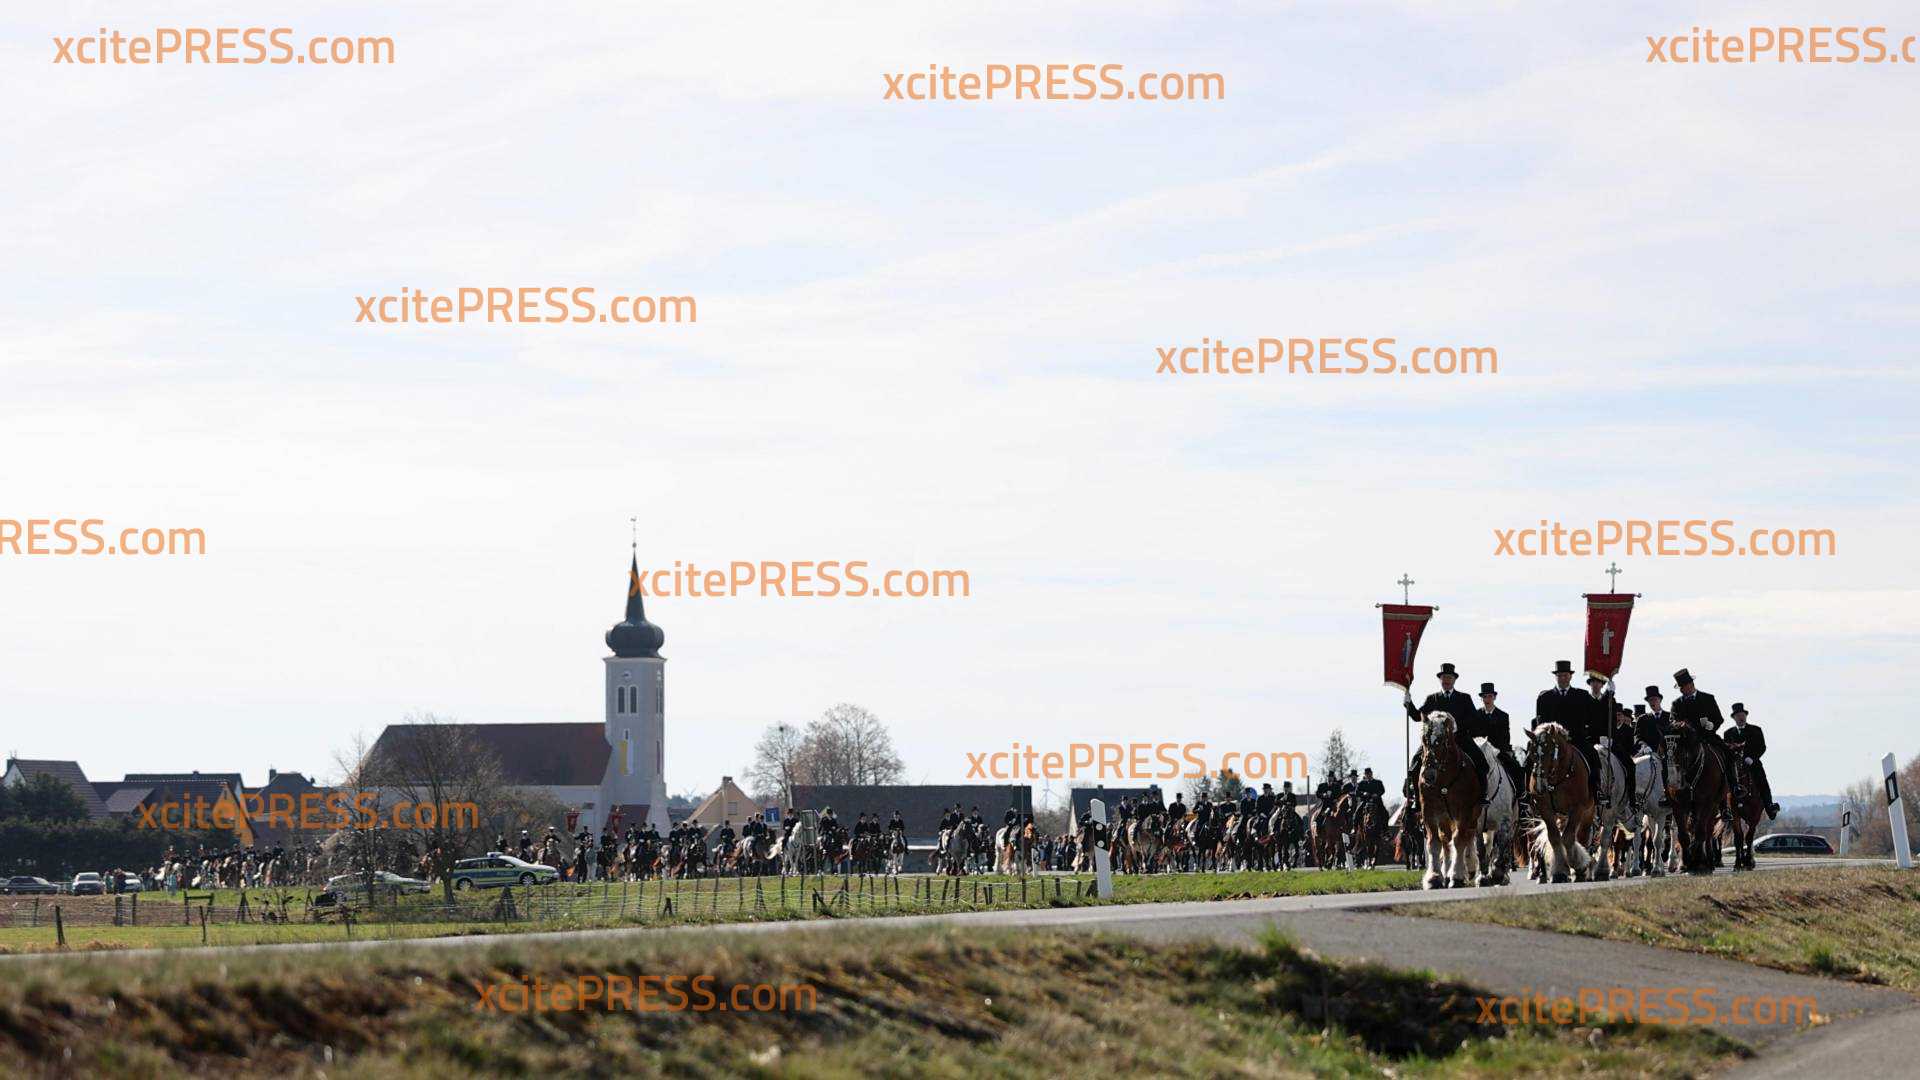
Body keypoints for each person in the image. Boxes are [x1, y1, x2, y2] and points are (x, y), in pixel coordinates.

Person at [1404, 662, 1487, 810]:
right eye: (1444, 678)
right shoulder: (1432, 699)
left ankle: (1482, 796)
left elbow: (1474, 718)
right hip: (1436, 742)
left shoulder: (1464, 698)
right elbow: (1418, 716)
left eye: (1449, 678)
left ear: (1454, 680)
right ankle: (1416, 798)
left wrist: (1457, 726)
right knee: (1415, 763)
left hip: (1460, 738)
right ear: (1440, 679)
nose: (1446, 680)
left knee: (1481, 761)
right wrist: (1409, 704)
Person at [1670, 668, 1746, 803]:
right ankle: (1668, 792)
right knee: (1669, 757)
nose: (1681, 690)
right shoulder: (1677, 703)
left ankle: (1735, 786)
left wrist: (1712, 725)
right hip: (1686, 741)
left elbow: (1719, 718)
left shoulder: (1708, 698)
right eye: (1680, 688)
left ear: (1691, 685)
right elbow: (1672, 721)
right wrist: (1679, 724)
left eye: (1683, 687)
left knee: (1728, 753)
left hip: (1707, 737)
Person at [1534, 660, 1604, 798]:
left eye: (1565, 675)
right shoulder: (1544, 697)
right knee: (1530, 760)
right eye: (1559, 675)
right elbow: (1540, 723)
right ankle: (1528, 794)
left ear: (1570, 676)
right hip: (1551, 741)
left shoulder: (1582, 695)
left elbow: (1593, 716)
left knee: (1593, 755)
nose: (1562, 678)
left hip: (1576, 740)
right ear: (1556, 677)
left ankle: (1596, 790)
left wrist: (1609, 696)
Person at [1723, 703, 1778, 818]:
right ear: (1734, 718)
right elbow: (1726, 751)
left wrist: (1752, 758)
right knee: (1722, 780)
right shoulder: (1728, 733)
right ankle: (1725, 809)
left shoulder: (1756, 730)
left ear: (1746, 716)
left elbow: (1762, 747)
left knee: (1762, 781)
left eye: (1742, 715)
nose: (1741, 717)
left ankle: (1769, 806)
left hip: (1752, 762)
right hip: (1734, 765)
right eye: (1738, 716)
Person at [1477, 682, 1525, 798]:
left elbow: (1505, 737)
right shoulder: (1476, 714)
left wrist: (1498, 751)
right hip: (1481, 751)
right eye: (1485, 696)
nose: (1487, 699)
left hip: (1498, 750)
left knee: (1516, 767)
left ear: (1494, 697)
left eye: (1490, 696)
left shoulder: (1503, 716)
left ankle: (1521, 796)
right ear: (1482, 698)